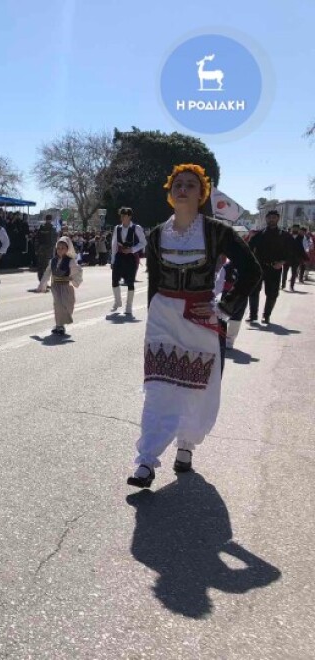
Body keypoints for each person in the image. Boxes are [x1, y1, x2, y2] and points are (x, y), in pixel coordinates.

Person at [127, 164, 260, 489]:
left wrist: (223, 308)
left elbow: (252, 271)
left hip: (201, 319)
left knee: (196, 388)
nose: (183, 189)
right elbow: (154, 282)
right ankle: (146, 461)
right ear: (170, 194)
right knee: (158, 389)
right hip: (163, 318)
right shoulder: (158, 233)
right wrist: (151, 319)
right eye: (178, 185)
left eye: (191, 185)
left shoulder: (218, 232)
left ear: (201, 195)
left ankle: (186, 445)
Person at [247, 210, 290, 325]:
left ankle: (266, 316)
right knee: (254, 291)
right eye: (270, 217)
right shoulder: (259, 235)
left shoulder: (284, 235)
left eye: (274, 217)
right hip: (259, 267)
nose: (272, 219)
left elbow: (291, 252)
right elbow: (248, 249)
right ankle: (253, 315)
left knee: (272, 294)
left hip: (275, 268)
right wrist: (249, 238)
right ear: (266, 219)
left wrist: (282, 262)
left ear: (278, 219)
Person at [36, 236, 83, 335]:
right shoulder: (52, 261)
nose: (60, 250)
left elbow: (77, 271)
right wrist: (42, 284)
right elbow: (47, 272)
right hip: (56, 286)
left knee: (67, 305)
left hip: (66, 286)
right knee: (58, 304)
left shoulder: (70, 261)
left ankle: (60, 324)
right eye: (58, 248)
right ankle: (59, 325)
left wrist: (73, 279)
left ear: (67, 249)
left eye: (62, 248)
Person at [110, 207, 147, 315]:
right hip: (119, 256)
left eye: (125, 215)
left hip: (131, 257)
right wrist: (112, 260)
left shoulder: (136, 228)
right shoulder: (117, 228)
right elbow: (114, 244)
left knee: (130, 282)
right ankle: (117, 301)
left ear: (130, 216)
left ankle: (129, 306)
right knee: (114, 280)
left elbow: (143, 242)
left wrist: (132, 249)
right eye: (121, 216)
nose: (123, 218)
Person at [34, 215, 58, 282]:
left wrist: (36, 249)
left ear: (45, 219)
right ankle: (45, 281)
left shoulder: (41, 228)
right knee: (48, 266)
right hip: (49, 249)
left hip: (41, 248)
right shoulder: (52, 228)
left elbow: (37, 239)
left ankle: (41, 280)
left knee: (40, 265)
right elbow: (54, 240)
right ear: (51, 220)